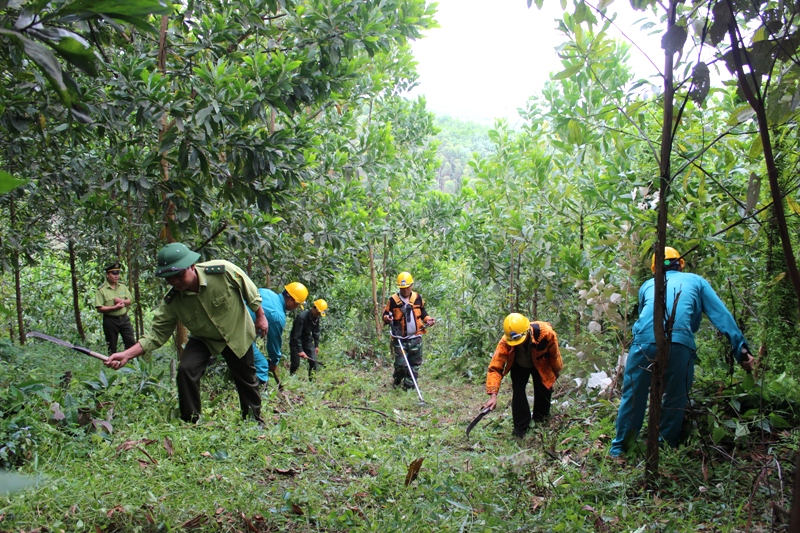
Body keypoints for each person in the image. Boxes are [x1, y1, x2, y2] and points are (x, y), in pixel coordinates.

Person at [609, 246, 756, 456]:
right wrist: (741, 351)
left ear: (654, 269)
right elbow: (722, 316)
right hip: (680, 343)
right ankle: (664, 448)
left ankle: (619, 449)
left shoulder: (648, 284)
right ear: (681, 264)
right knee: (674, 398)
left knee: (633, 395)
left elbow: (645, 316)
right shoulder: (696, 281)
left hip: (643, 343)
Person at [104, 243, 268, 424]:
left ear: (191, 266)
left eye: (179, 275)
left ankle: (253, 422)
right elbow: (156, 335)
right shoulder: (172, 301)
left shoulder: (223, 271)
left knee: (246, 378)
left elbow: (250, 291)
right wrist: (126, 354)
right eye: (169, 278)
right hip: (203, 337)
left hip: (235, 331)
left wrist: (260, 316)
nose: (175, 282)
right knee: (186, 369)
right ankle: (190, 421)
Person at [483, 313, 563, 438]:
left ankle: (540, 422)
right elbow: (495, 367)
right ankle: (521, 429)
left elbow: (555, 355)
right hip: (519, 365)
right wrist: (493, 395)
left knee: (544, 389)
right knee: (518, 392)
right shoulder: (505, 341)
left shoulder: (546, 333)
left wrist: (557, 372)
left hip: (541, 363)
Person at [382, 272, 435, 390]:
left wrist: (428, 319)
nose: (405, 290)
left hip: (415, 337)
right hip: (399, 338)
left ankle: (409, 386)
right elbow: (385, 314)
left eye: (407, 287)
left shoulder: (417, 298)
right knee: (401, 364)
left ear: (411, 286)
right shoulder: (393, 300)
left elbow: (423, 313)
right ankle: (398, 378)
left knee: (415, 363)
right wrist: (387, 318)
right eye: (402, 288)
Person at [251, 282, 308, 385]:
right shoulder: (278, 316)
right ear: (291, 300)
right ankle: (253, 397)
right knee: (262, 365)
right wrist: (274, 362)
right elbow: (273, 343)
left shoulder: (267, 292)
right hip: (238, 332)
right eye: (297, 304)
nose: (296, 307)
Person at [94, 262, 136, 354]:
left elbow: (130, 301)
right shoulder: (101, 290)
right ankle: (113, 365)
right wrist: (114, 307)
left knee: (131, 343)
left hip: (124, 319)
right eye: (114, 273)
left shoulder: (122, 286)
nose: (116, 276)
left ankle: (133, 364)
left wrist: (122, 302)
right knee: (112, 345)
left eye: (118, 273)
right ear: (107, 275)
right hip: (110, 320)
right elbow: (99, 308)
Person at [290, 299, 327, 378]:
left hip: (307, 341)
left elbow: (316, 332)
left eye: (320, 313)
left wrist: (316, 345)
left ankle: (312, 382)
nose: (318, 315)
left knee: (313, 362)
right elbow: (297, 336)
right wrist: (300, 350)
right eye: (318, 312)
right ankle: (291, 378)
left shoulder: (316, 318)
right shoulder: (301, 317)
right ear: (313, 308)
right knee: (295, 364)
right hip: (296, 342)